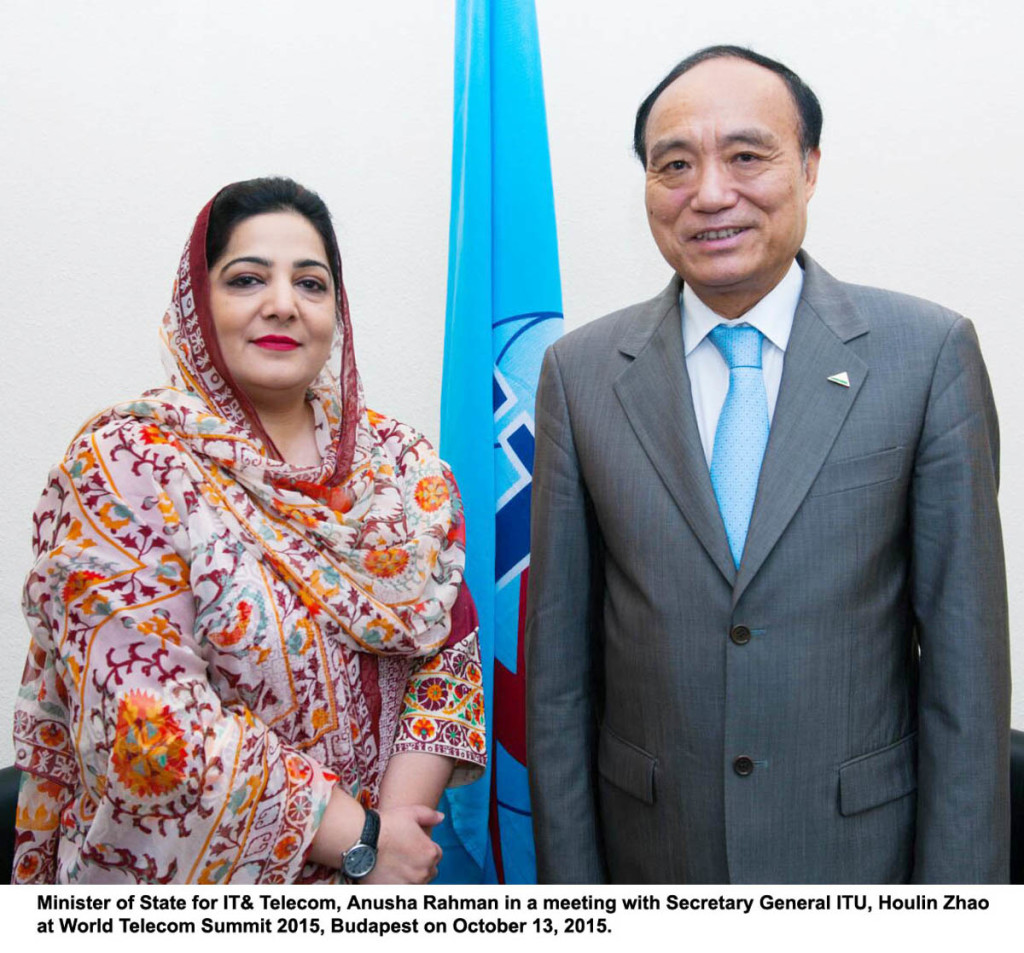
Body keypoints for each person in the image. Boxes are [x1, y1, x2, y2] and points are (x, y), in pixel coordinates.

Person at [525, 46, 1010, 883]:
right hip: (654, 861)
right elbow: (560, 682)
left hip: (858, 862)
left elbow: (966, 684)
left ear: (811, 167)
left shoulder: (926, 356)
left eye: (747, 155)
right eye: (674, 164)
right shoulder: (581, 375)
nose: (711, 192)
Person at [12, 177, 486, 884]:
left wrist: (393, 839)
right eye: (246, 279)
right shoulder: (127, 469)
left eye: (311, 283)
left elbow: (447, 648)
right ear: (197, 303)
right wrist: (359, 839)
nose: (283, 304)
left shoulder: (403, 468)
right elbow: (151, 729)